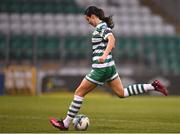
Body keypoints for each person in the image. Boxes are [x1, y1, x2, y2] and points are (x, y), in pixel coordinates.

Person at [50, 6, 168, 131]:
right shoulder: (103, 27)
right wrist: (107, 51)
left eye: (88, 19)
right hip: (110, 67)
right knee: (121, 93)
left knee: (79, 93)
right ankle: (153, 86)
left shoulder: (101, 27)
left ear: (93, 16)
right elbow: (112, 41)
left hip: (101, 68)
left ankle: (66, 123)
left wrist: (104, 54)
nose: (88, 22)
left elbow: (111, 39)